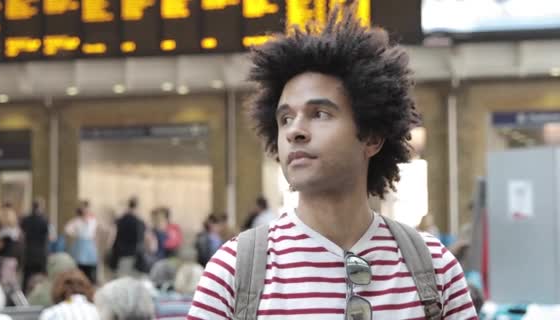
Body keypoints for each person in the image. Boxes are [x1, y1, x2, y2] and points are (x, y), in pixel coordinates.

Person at [188, 5, 476, 319]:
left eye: (320, 114)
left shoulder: (434, 267)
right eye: (285, 118)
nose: (295, 131)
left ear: (371, 137)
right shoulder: (233, 271)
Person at [109, 198, 146, 277]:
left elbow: (112, 236)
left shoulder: (119, 220)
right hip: (135, 256)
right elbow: (144, 240)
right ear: (137, 207)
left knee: (121, 280)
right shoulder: (140, 222)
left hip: (120, 254)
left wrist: (109, 249)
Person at [20, 199, 50, 292]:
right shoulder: (44, 220)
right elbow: (49, 237)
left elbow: (21, 236)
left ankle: (25, 296)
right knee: (40, 277)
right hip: (41, 253)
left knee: (26, 277)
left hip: (29, 252)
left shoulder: (26, 220)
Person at [64, 206, 98, 283]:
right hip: (81, 245)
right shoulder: (77, 221)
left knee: (90, 266)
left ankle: (89, 281)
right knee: (80, 265)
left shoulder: (92, 221)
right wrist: (75, 234)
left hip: (88, 245)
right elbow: (67, 230)